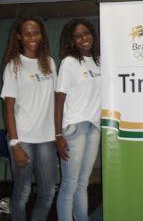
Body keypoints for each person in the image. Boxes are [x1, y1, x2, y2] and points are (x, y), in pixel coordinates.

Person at [1, 17, 57, 221]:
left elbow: (55, 100)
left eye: (36, 32)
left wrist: (59, 134)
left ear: (42, 35)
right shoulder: (14, 66)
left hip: (47, 139)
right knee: (22, 193)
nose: (32, 37)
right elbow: (8, 109)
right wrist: (14, 144)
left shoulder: (49, 63)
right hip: (22, 138)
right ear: (19, 36)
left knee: (48, 192)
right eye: (27, 33)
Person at [55, 19, 101, 221]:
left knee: (83, 183)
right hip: (74, 128)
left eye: (87, 33)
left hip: (94, 127)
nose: (84, 38)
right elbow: (59, 101)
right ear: (72, 41)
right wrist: (58, 135)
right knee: (69, 184)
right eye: (78, 36)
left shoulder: (99, 60)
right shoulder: (69, 62)